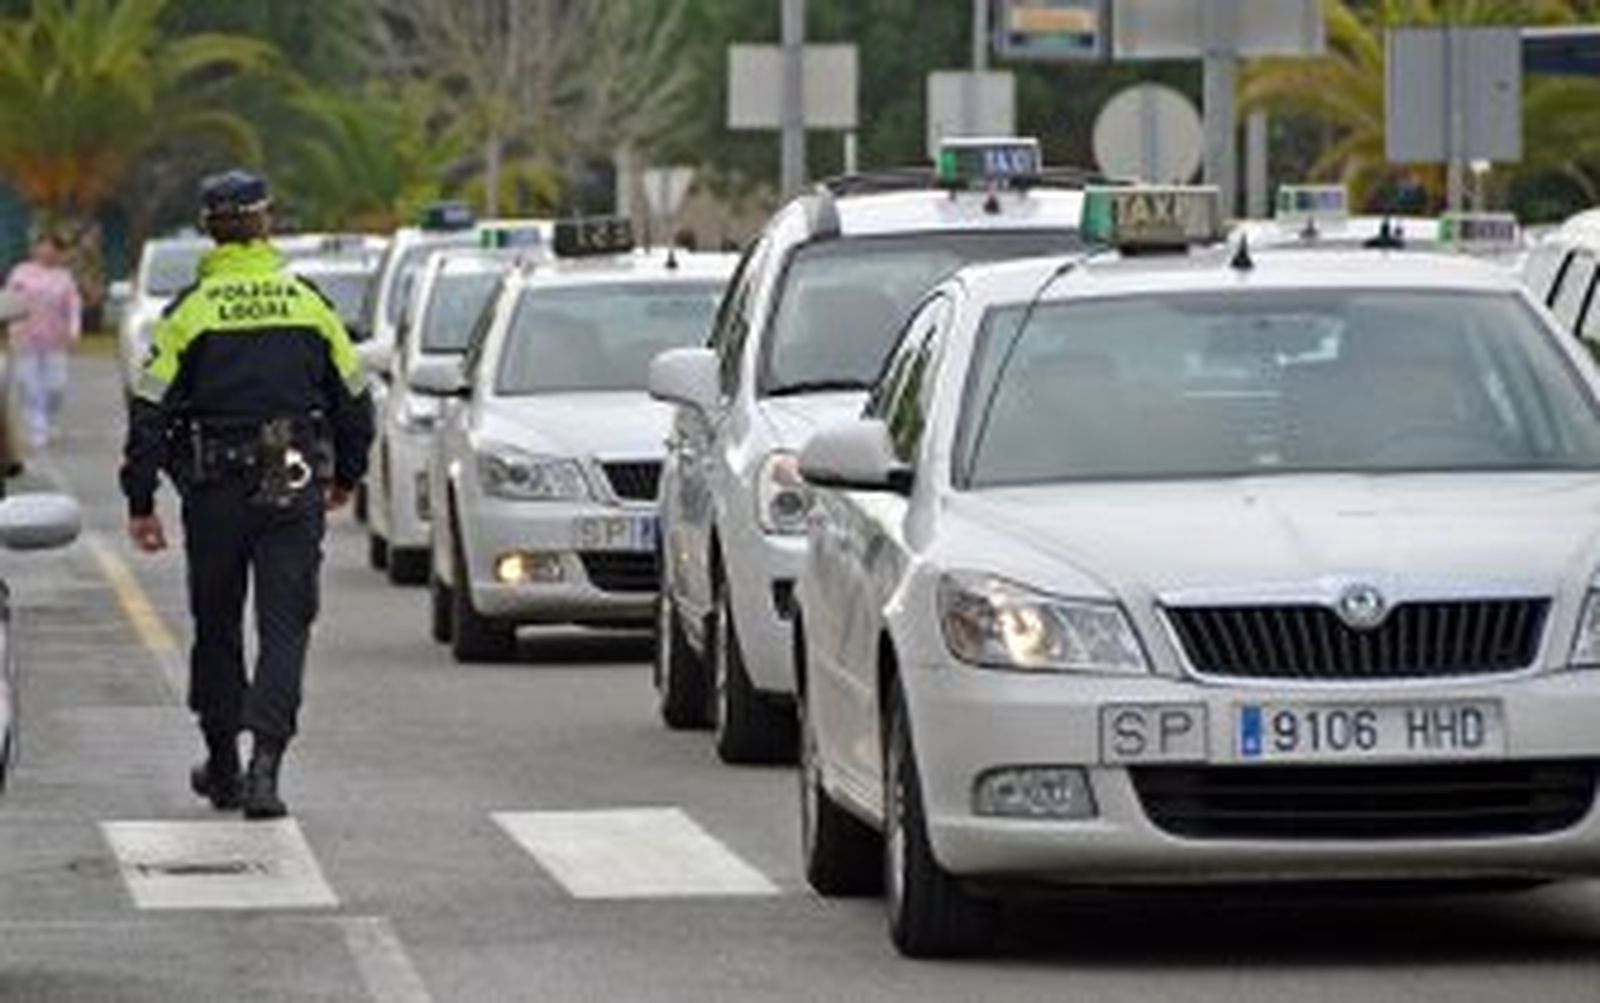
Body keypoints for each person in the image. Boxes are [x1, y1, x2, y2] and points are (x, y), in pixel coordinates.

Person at [119, 170, 374, 819]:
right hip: (290, 474)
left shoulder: (190, 311)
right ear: (267, 224)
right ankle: (266, 768)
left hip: (216, 486)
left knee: (217, 624)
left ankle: (223, 766)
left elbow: (148, 409)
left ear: (209, 229)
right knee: (285, 625)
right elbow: (354, 397)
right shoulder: (307, 302)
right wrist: (346, 472)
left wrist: (141, 497)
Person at [5, 231, 81, 450]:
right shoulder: (21, 273)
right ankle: (37, 428)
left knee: (56, 387)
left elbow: (73, 304)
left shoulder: (63, 276)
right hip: (24, 339)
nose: (46, 252)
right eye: (42, 246)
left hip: (55, 340)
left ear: (58, 253)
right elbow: (9, 300)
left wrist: (74, 328)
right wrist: (9, 325)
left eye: (51, 248)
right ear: (35, 249)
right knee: (31, 387)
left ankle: (45, 419)